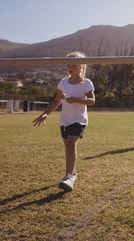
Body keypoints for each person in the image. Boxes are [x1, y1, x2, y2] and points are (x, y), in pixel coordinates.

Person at [33, 51, 95, 191]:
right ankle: (73, 172)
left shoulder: (86, 83)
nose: (70, 67)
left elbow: (92, 101)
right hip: (64, 120)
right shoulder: (63, 82)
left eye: (74, 64)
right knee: (67, 146)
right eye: (68, 64)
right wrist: (45, 114)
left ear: (82, 66)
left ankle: (68, 177)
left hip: (79, 119)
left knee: (71, 143)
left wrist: (77, 100)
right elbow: (57, 100)